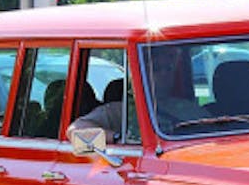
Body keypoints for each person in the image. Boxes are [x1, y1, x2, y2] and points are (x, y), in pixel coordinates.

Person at [67, 47, 201, 143]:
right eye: (156, 69)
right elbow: (75, 130)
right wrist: (117, 138)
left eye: (169, 69)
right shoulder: (120, 110)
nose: (164, 75)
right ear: (142, 74)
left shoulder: (188, 108)